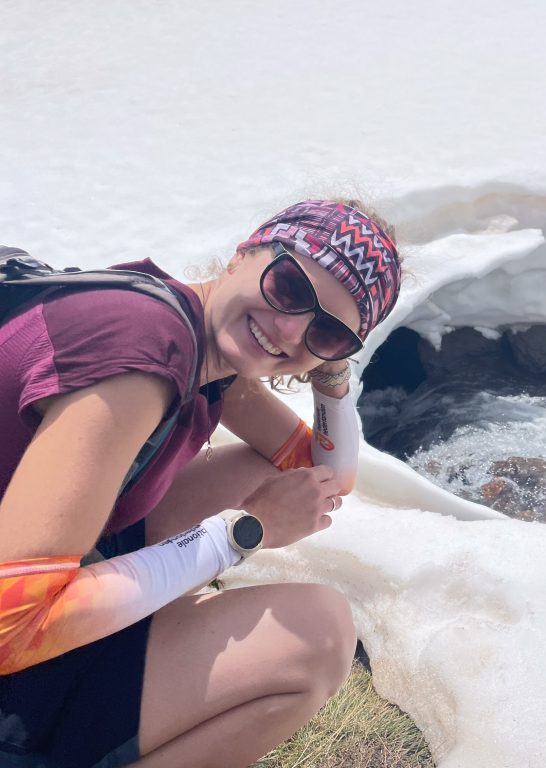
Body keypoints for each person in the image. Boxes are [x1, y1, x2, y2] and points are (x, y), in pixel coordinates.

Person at [0, 199, 402, 767]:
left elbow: (326, 475)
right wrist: (241, 532)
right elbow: (9, 626)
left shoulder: (185, 326)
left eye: (328, 333)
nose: (289, 331)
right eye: (289, 288)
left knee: (266, 467)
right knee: (321, 634)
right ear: (247, 251)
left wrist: (330, 372)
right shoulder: (144, 360)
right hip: (12, 640)